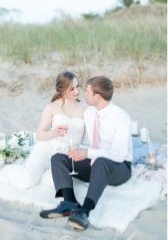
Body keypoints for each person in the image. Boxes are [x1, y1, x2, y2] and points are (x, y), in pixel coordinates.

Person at [40, 76, 133, 230]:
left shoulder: (121, 117)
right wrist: (74, 148)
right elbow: (85, 138)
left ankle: (84, 212)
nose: (84, 94)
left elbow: (119, 155)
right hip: (95, 165)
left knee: (101, 161)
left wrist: (88, 153)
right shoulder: (89, 113)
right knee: (58, 158)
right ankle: (69, 203)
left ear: (97, 97)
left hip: (119, 168)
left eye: (87, 92)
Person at [0, 70, 86, 189]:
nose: (77, 91)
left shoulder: (84, 107)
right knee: (27, 182)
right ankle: (3, 170)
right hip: (47, 148)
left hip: (66, 155)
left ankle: (40, 171)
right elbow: (39, 134)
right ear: (62, 90)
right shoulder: (51, 107)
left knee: (55, 183)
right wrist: (53, 132)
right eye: (72, 89)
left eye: (77, 86)